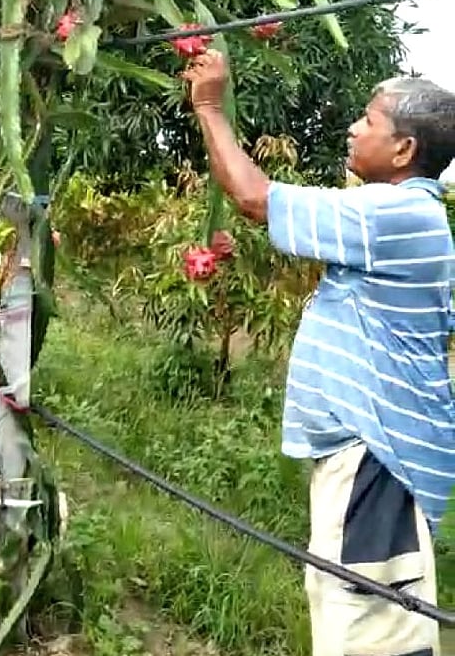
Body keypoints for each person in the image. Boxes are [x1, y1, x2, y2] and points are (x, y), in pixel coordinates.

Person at [183, 51, 455, 656]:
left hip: (376, 461)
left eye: (368, 120)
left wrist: (208, 105)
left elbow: (256, 198)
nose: (354, 129)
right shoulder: (402, 216)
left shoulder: (395, 214)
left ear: (404, 150)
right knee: (353, 619)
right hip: (370, 457)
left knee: (371, 635)